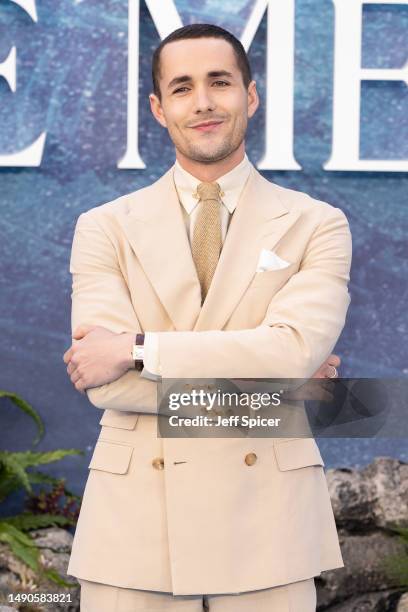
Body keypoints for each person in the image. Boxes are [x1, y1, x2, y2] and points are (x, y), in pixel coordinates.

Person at [63, 23, 351, 612]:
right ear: (158, 108)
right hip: (135, 526)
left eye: (219, 82)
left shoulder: (318, 224)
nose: (203, 103)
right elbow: (108, 384)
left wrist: (140, 349)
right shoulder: (105, 227)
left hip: (269, 525)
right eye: (182, 87)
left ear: (250, 95)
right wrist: (282, 394)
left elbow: (292, 348)